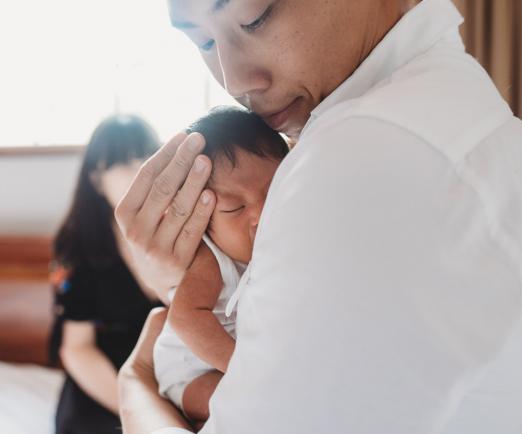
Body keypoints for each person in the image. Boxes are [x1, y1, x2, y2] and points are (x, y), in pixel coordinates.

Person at [115, 0, 522, 433]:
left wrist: (133, 387)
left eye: (256, 17)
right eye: (204, 40)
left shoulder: (356, 163)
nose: (234, 80)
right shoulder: (459, 102)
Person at [152, 106, 289, 424]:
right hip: (191, 368)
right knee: (244, 404)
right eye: (234, 207)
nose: (260, 214)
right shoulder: (210, 259)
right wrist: (245, 369)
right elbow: (186, 318)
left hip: (243, 360)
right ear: (203, 222)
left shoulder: (286, 244)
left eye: (274, 192)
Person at [48, 114, 162, 434]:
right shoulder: (76, 247)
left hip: (172, 373)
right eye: (124, 163)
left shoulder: (188, 231)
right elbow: (77, 348)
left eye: (148, 158)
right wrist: (137, 408)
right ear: (97, 179)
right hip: (105, 384)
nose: (141, 170)